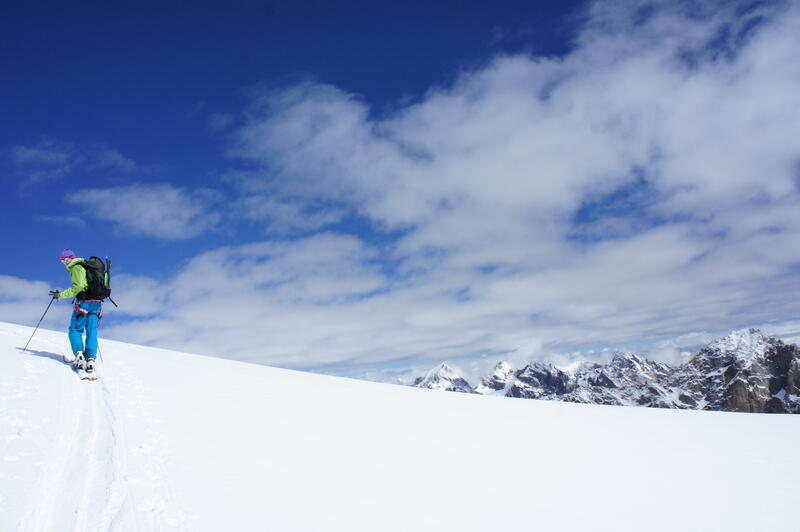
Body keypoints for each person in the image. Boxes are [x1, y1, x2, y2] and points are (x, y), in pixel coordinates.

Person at [50, 249, 103, 375]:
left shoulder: (76, 267)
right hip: (97, 303)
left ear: (71, 258)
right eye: (62, 261)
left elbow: (78, 287)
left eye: (65, 259)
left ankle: (79, 355)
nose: (64, 262)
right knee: (92, 331)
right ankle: (90, 359)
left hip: (84, 303)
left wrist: (60, 295)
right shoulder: (87, 266)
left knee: (75, 330)